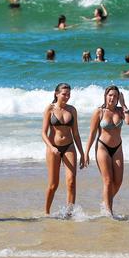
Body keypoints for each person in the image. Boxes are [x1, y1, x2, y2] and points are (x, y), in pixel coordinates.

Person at [84, 86, 129, 216]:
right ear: (105, 96)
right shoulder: (99, 112)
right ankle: (109, 212)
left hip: (117, 148)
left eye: (115, 96)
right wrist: (86, 153)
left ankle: (106, 203)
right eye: (110, 95)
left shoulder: (120, 111)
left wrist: (124, 105)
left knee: (118, 182)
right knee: (108, 181)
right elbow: (92, 133)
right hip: (103, 148)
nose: (112, 98)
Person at [41, 83, 86, 215]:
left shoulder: (72, 110)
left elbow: (76, 133)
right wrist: (51, 147)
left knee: (71, 181)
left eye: (68, 94)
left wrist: (82, 154)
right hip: (53, 148)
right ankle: (46, 212)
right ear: (57, 94)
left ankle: (69, 213)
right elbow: (43, 133)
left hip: (69, 146)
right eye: (64, 94)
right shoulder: (49, 109)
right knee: (53, 185)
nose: (67, 96)